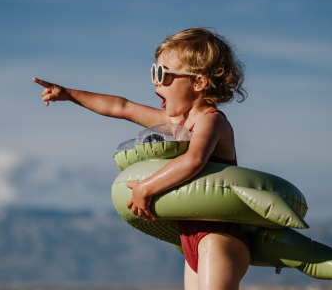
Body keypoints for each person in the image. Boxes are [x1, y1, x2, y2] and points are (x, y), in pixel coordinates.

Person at [33, 27, 249, 290]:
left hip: (219, 239)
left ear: (199, 82)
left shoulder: (211, 121)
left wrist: (146, 188)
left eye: (163, 74)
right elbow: (121, 107)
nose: (156, 82)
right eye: (154, 73)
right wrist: (69, 94)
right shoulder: (178, 122)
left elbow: (194, 160)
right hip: (192, 239)